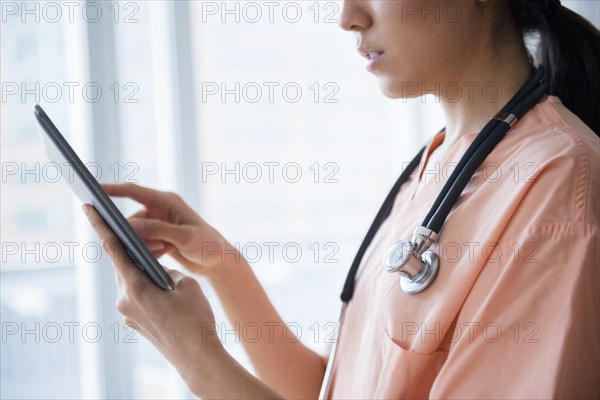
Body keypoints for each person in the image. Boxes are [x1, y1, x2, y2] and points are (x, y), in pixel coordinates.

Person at [82, 0, 600, 398]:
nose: (348, 17)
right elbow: (329, 388)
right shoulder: (432, 167)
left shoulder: (559, 181)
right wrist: (224, 267)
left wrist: (195, 356)